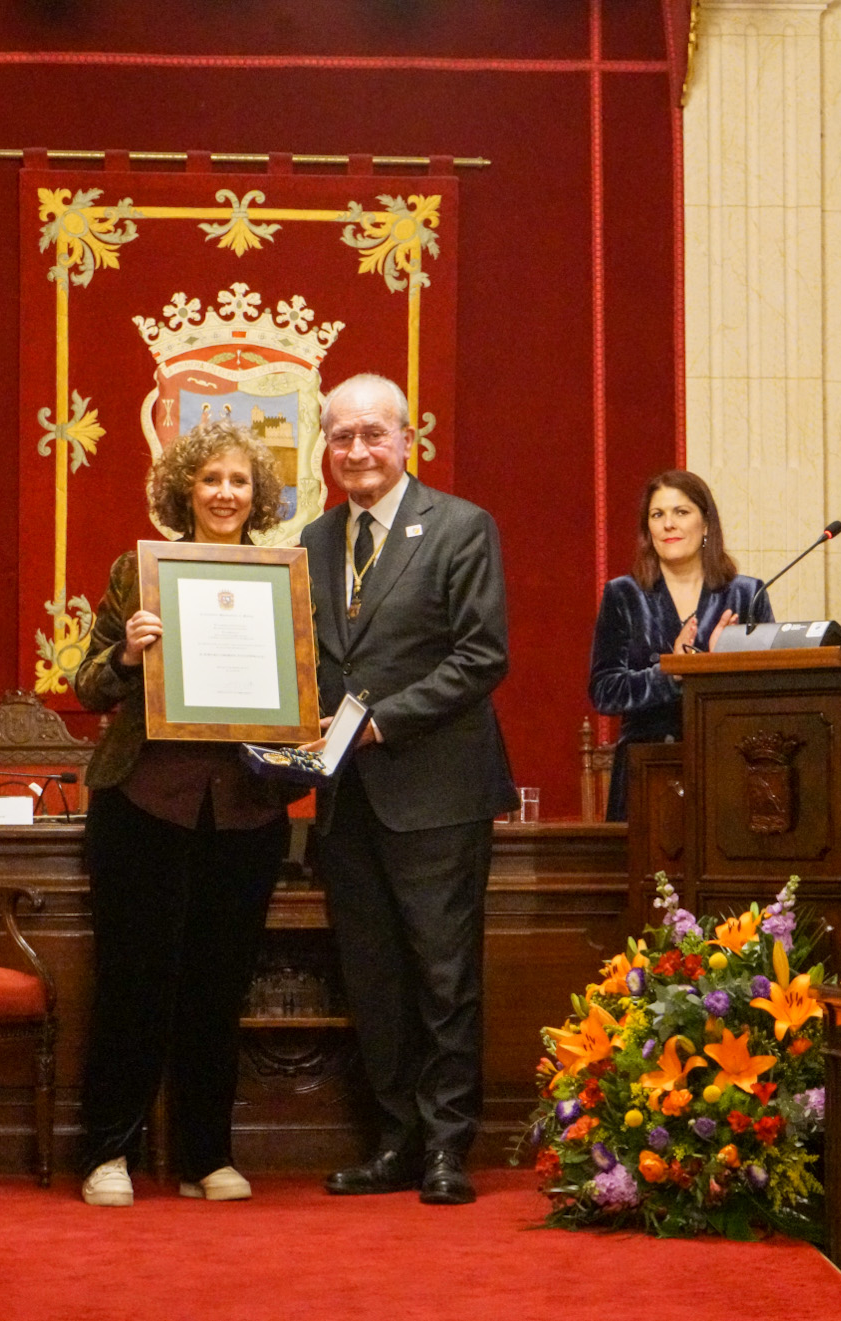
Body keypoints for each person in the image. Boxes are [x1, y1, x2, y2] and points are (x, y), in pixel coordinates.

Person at [69, 418, 298, 1208]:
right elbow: (86, 684)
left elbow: (300, 690)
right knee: (134, 983)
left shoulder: (282, 577)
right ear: (184, 491)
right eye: (211, 480)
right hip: (144, 803)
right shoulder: (138, 573)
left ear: (257, 494)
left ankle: (207, 1156)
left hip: (245, 811)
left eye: (239, 481)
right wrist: (128, 653)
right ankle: (108, 1153)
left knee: (217, 987)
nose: (226, 493)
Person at [302, 373, 513, 1206]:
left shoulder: (461, 527)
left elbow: (480, 654)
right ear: (327, 447)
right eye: (341, 437)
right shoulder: (313, 540)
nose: (357, 450)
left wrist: (380, 721)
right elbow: (303, 662)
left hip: (436, 790)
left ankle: (446, 1148)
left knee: (442, 971)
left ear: (404, 439)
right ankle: (395, 1141)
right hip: (346, 798)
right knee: (374, 975)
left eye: (372, 435)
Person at [587, 471, 770, 821]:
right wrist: (670, 673)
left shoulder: (747, 594)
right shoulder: (623, 595)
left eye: (681, 512)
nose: (669, 524)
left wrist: (720, 665)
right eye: (658, 515)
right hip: (647, 770)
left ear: (706, 526)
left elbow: (768, 693)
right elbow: (603, 692)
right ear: (648, 530)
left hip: (727, 768)